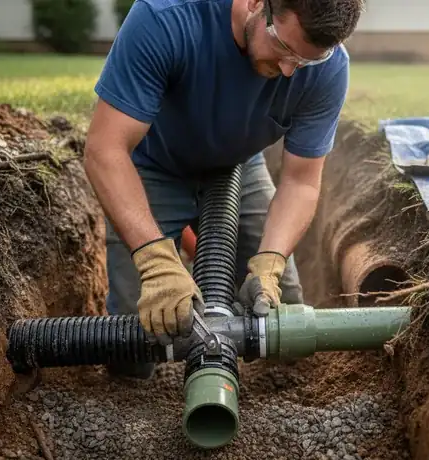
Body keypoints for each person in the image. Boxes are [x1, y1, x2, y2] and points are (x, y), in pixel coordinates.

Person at [83, 0, 362, 379]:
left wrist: (271, 262)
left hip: (239, 165)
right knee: (134, 333)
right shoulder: (165, 19)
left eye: (304, 61)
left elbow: (300, 181)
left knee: (283, 309)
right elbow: (104, 150)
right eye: (283, 48)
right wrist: (155, 261)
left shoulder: (329, 66)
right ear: (256, 4)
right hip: (152, 166)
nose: (288, 70)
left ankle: (284, 388)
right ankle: (130, 392)